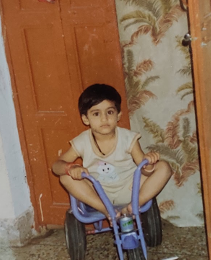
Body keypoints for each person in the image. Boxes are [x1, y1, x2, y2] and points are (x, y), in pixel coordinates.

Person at [51, 84, 172, 219]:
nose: (104, 119)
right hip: (99, 194)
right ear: (85, 119)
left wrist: (148, 164)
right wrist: (70, 168)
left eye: (109, 112)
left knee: (164, 167)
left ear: (118, 115)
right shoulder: (82, 142)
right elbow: (56, 166)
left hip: (130, 189)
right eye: (96, 114)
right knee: (65, 177)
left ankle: (135, 205)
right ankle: (106, 210)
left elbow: (143, 170)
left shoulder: (128, 138)